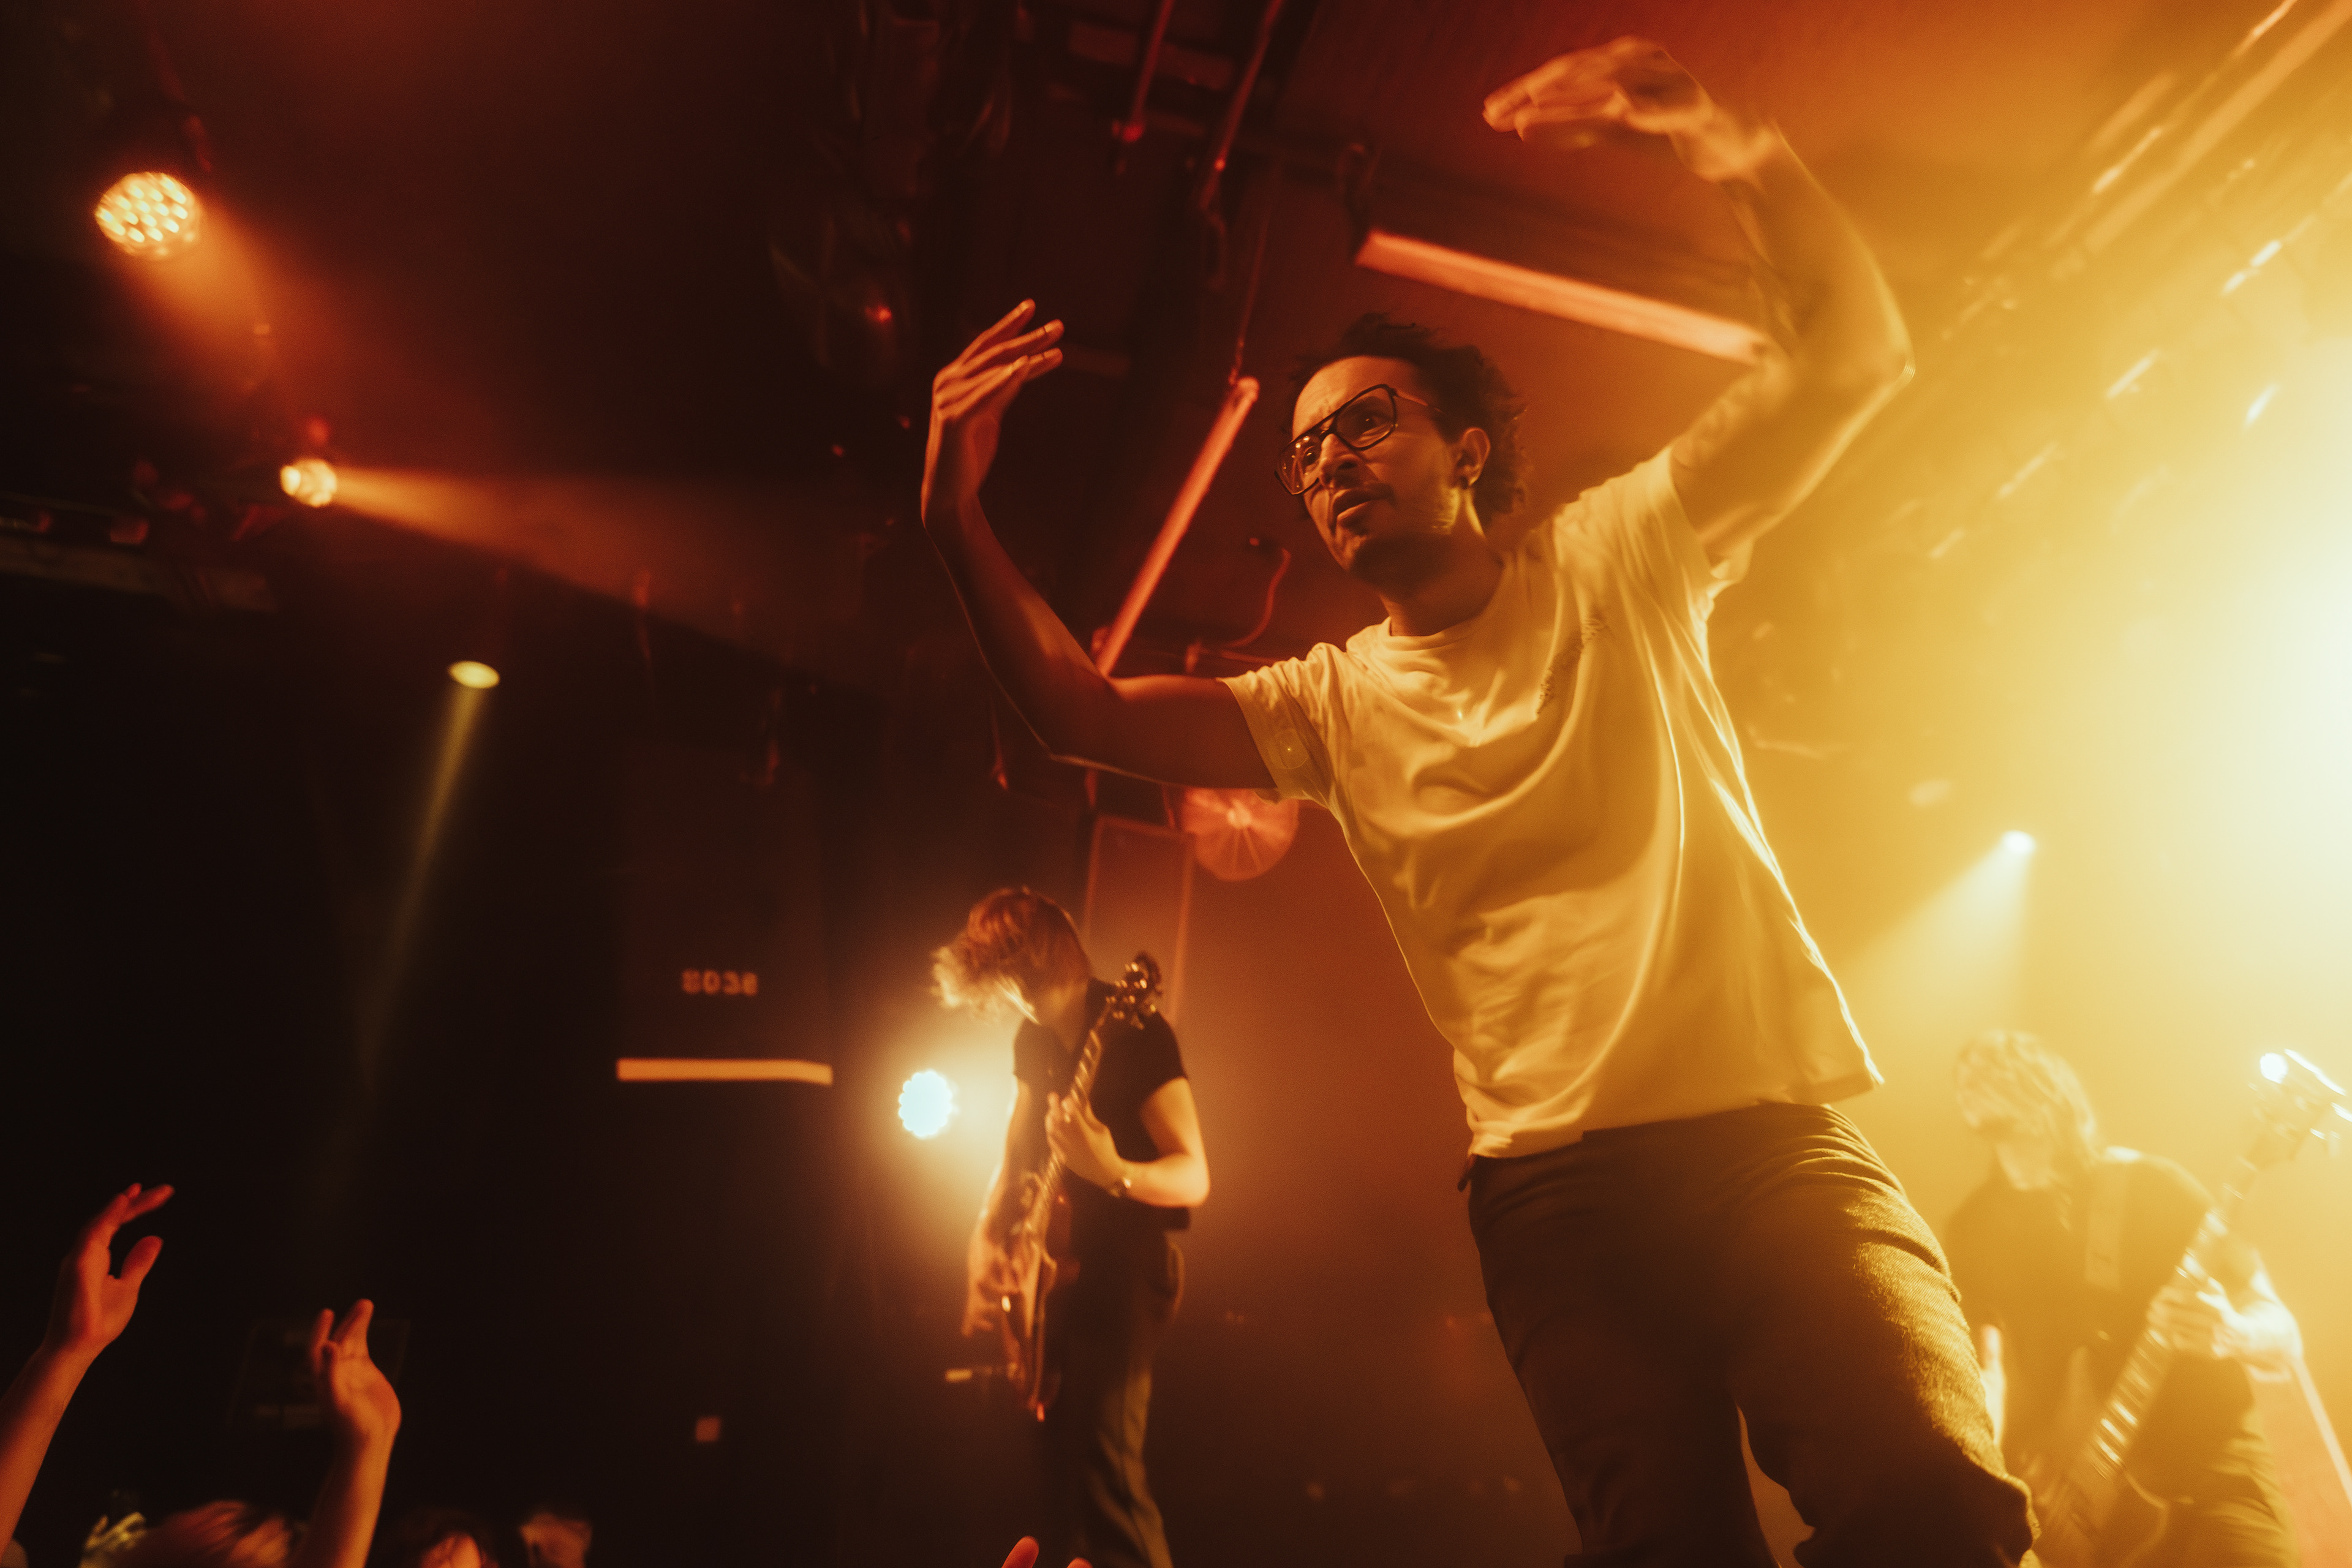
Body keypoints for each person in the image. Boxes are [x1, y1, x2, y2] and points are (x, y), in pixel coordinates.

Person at [919, 32, 2035, 1567]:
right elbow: (1077, 712)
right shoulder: (1325, 704)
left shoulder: (1619, 558)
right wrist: (954, 515)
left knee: (1935, 1497)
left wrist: (1724, 142)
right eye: (1304, 451)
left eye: (1365, 419)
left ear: (1469, 450)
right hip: (1556, 1202)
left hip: (1768, 1145)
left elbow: (1850, 354)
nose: (1327, 460)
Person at [1947, 1031, 2302, 1566]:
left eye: (2000, 1068)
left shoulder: (2151, 1187)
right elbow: (1985, 1373)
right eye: (1968, 1077)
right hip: (2082, 1504)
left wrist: (2234, 1331)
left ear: (2049, 1094)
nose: (1974, 1077)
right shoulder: (1973, 1230)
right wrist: (1991, 1471)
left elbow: (2283, 1331)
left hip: (2212, 1477)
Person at [939, 889, 1209, 1568]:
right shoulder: (1032, 1038)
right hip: (1059, 1281)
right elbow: (1016, 1150)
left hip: (1126, 1270)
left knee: (1106, 1470)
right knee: (1062, 1484)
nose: (1010, 990)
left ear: (1025, 963)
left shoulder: (1136, 1031)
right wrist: (984, 1235)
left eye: (1010, 971)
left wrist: (1114, 1171)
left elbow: (1195, 1176)